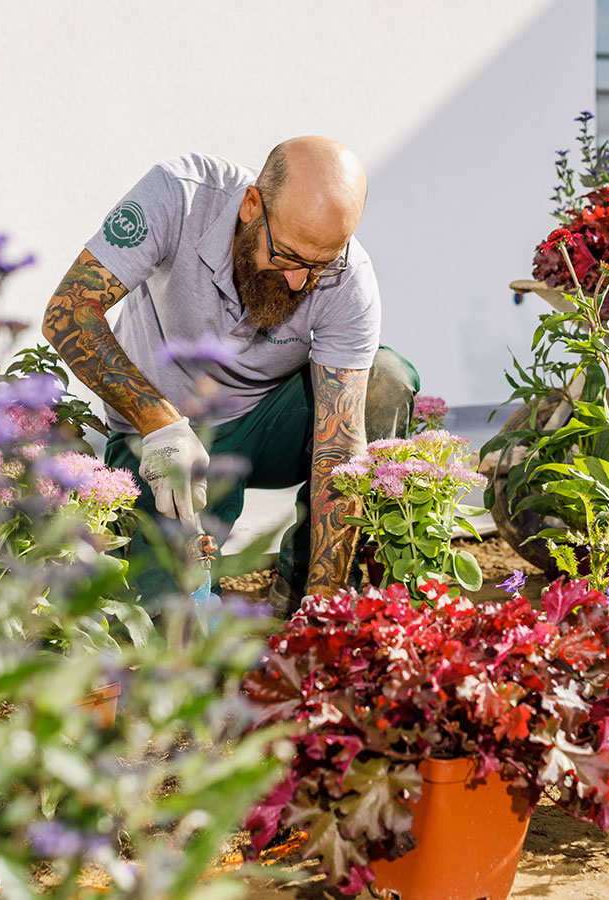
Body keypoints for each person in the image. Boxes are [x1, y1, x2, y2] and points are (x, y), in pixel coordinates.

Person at [41, 136, 417, 613]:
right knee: (165, 616)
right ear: (251, 206)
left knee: (384, 381)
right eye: (289, 257)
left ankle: (300, 581)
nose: (301, 281)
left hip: (270, 425)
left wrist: (325, 601)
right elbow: (68, 312)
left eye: (321, 266)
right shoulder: (179, 195)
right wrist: (158, 421)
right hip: (165, 437)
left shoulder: (348, 277)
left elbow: (340, 448)